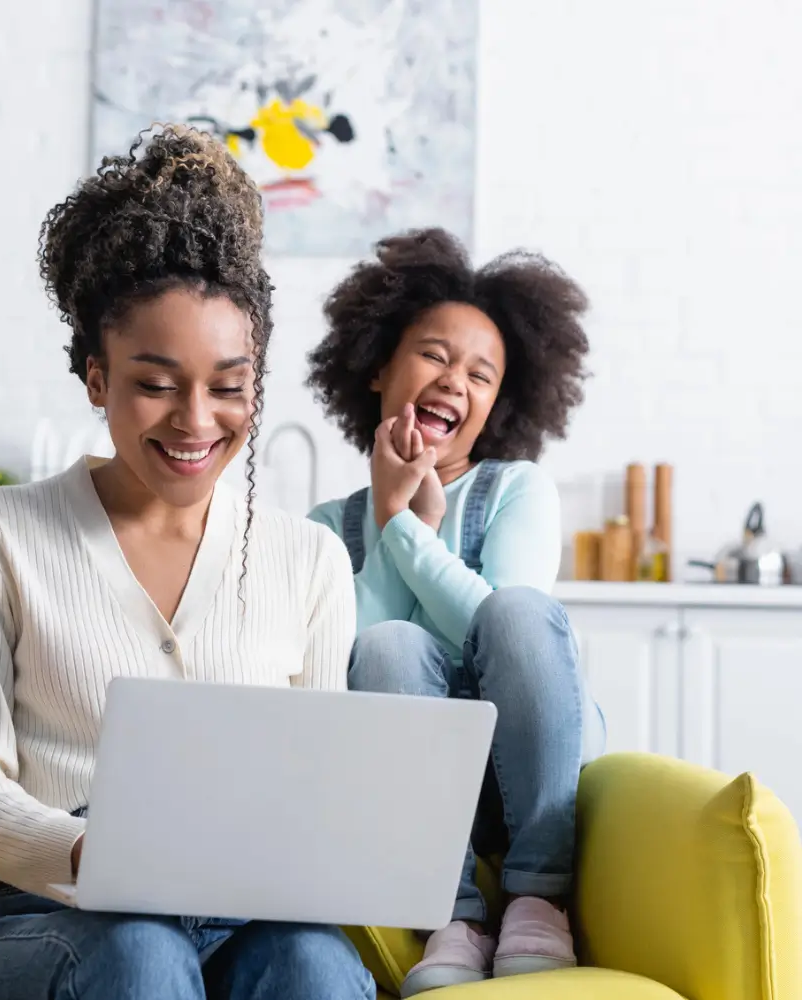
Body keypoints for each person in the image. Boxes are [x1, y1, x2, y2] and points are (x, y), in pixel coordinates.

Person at [0, 125, 375, 1000]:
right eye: (156, 383)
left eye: (229, 384)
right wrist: (103, 854)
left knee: (316, 963)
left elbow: (317, 798)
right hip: (40, 915)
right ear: (97, 377)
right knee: (138, 950)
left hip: (239, 910)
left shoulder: (311, 559)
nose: (196, 420)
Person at [307, 228, 605, 996]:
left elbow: (501, 630)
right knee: (388, 646)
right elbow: (348, 662)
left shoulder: (518, 490)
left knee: (512, 610)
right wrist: (384, 510)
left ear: (498, 402)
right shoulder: (320, 528)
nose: (455, 381)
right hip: (414, 794)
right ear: (379, 366)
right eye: (435, 356)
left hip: (529, 766)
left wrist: (407, 528)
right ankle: (456, 917)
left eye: (481, 374)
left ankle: (539, 897)